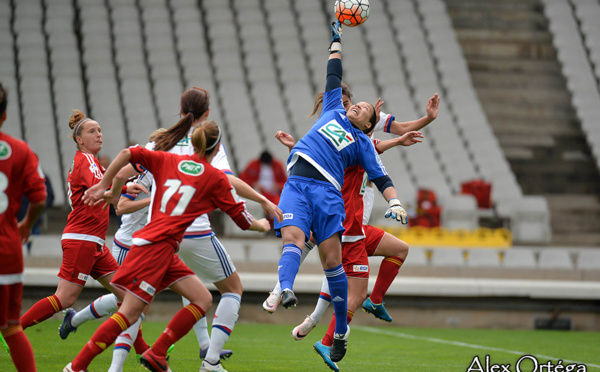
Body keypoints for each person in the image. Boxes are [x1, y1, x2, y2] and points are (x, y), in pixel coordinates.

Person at [63, 120, 270, 372]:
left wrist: (107, 187)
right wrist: (262, 224)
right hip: (156, 249)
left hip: (157, 246)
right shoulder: (214, 177)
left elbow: (127, 154)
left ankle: (157, 353)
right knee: (129, 312)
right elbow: (242, 220)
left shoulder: (167, 160)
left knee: (201, 297)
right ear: (216, 151)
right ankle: (77, 366)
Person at [273, 21, 408, 363]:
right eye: (357, 103)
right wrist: (336, 41)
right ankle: (285, 289)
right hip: (296, 183)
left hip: (326, 193)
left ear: (367, 125)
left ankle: (339, 333)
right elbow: (333, 74)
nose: (358, 105)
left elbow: (381, 175)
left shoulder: (363, 144)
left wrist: (395, 202)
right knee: (291, 237)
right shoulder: (334, 107)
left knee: (332, 262)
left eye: (365, 109)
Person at [20, 110, 145, 330]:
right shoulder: (85, 160)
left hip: (94, 242)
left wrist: (125, 187)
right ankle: (14, 330)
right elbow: (103, 191)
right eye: (92, 131)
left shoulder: (93, 163)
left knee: (129, 297)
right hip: (82, 239)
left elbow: (104, 187)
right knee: (64, 299)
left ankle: (145, 354)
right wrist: (124, 187)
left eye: (100, 130)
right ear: (79, 140)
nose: (99, 135)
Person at [58, 128, 166, 372]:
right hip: (128, 244)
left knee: (133, 304)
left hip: (148, 244)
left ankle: (76, 323)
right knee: (131, 306)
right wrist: (154, 200)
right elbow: (121, 207)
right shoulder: (145, 171)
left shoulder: (162, 170)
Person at [0, 82, 46, 371]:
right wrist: (27, 224)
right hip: (6, 250)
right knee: (12, 328)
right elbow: (39, 196)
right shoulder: (20, 150)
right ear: (4, 115)